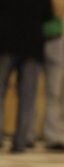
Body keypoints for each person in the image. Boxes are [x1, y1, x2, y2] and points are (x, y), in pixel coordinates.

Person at [0, 0, 53, 153]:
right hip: (32, 44)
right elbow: (48, 16)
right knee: (27, 97)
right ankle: (21, 141)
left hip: (5, 42)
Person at [39, 0, 64, 151]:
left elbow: (59, 11)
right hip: (33, 38)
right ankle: (25, 134)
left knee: (54, 92)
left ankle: (53, 135)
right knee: (28, 89)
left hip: (55, 40)